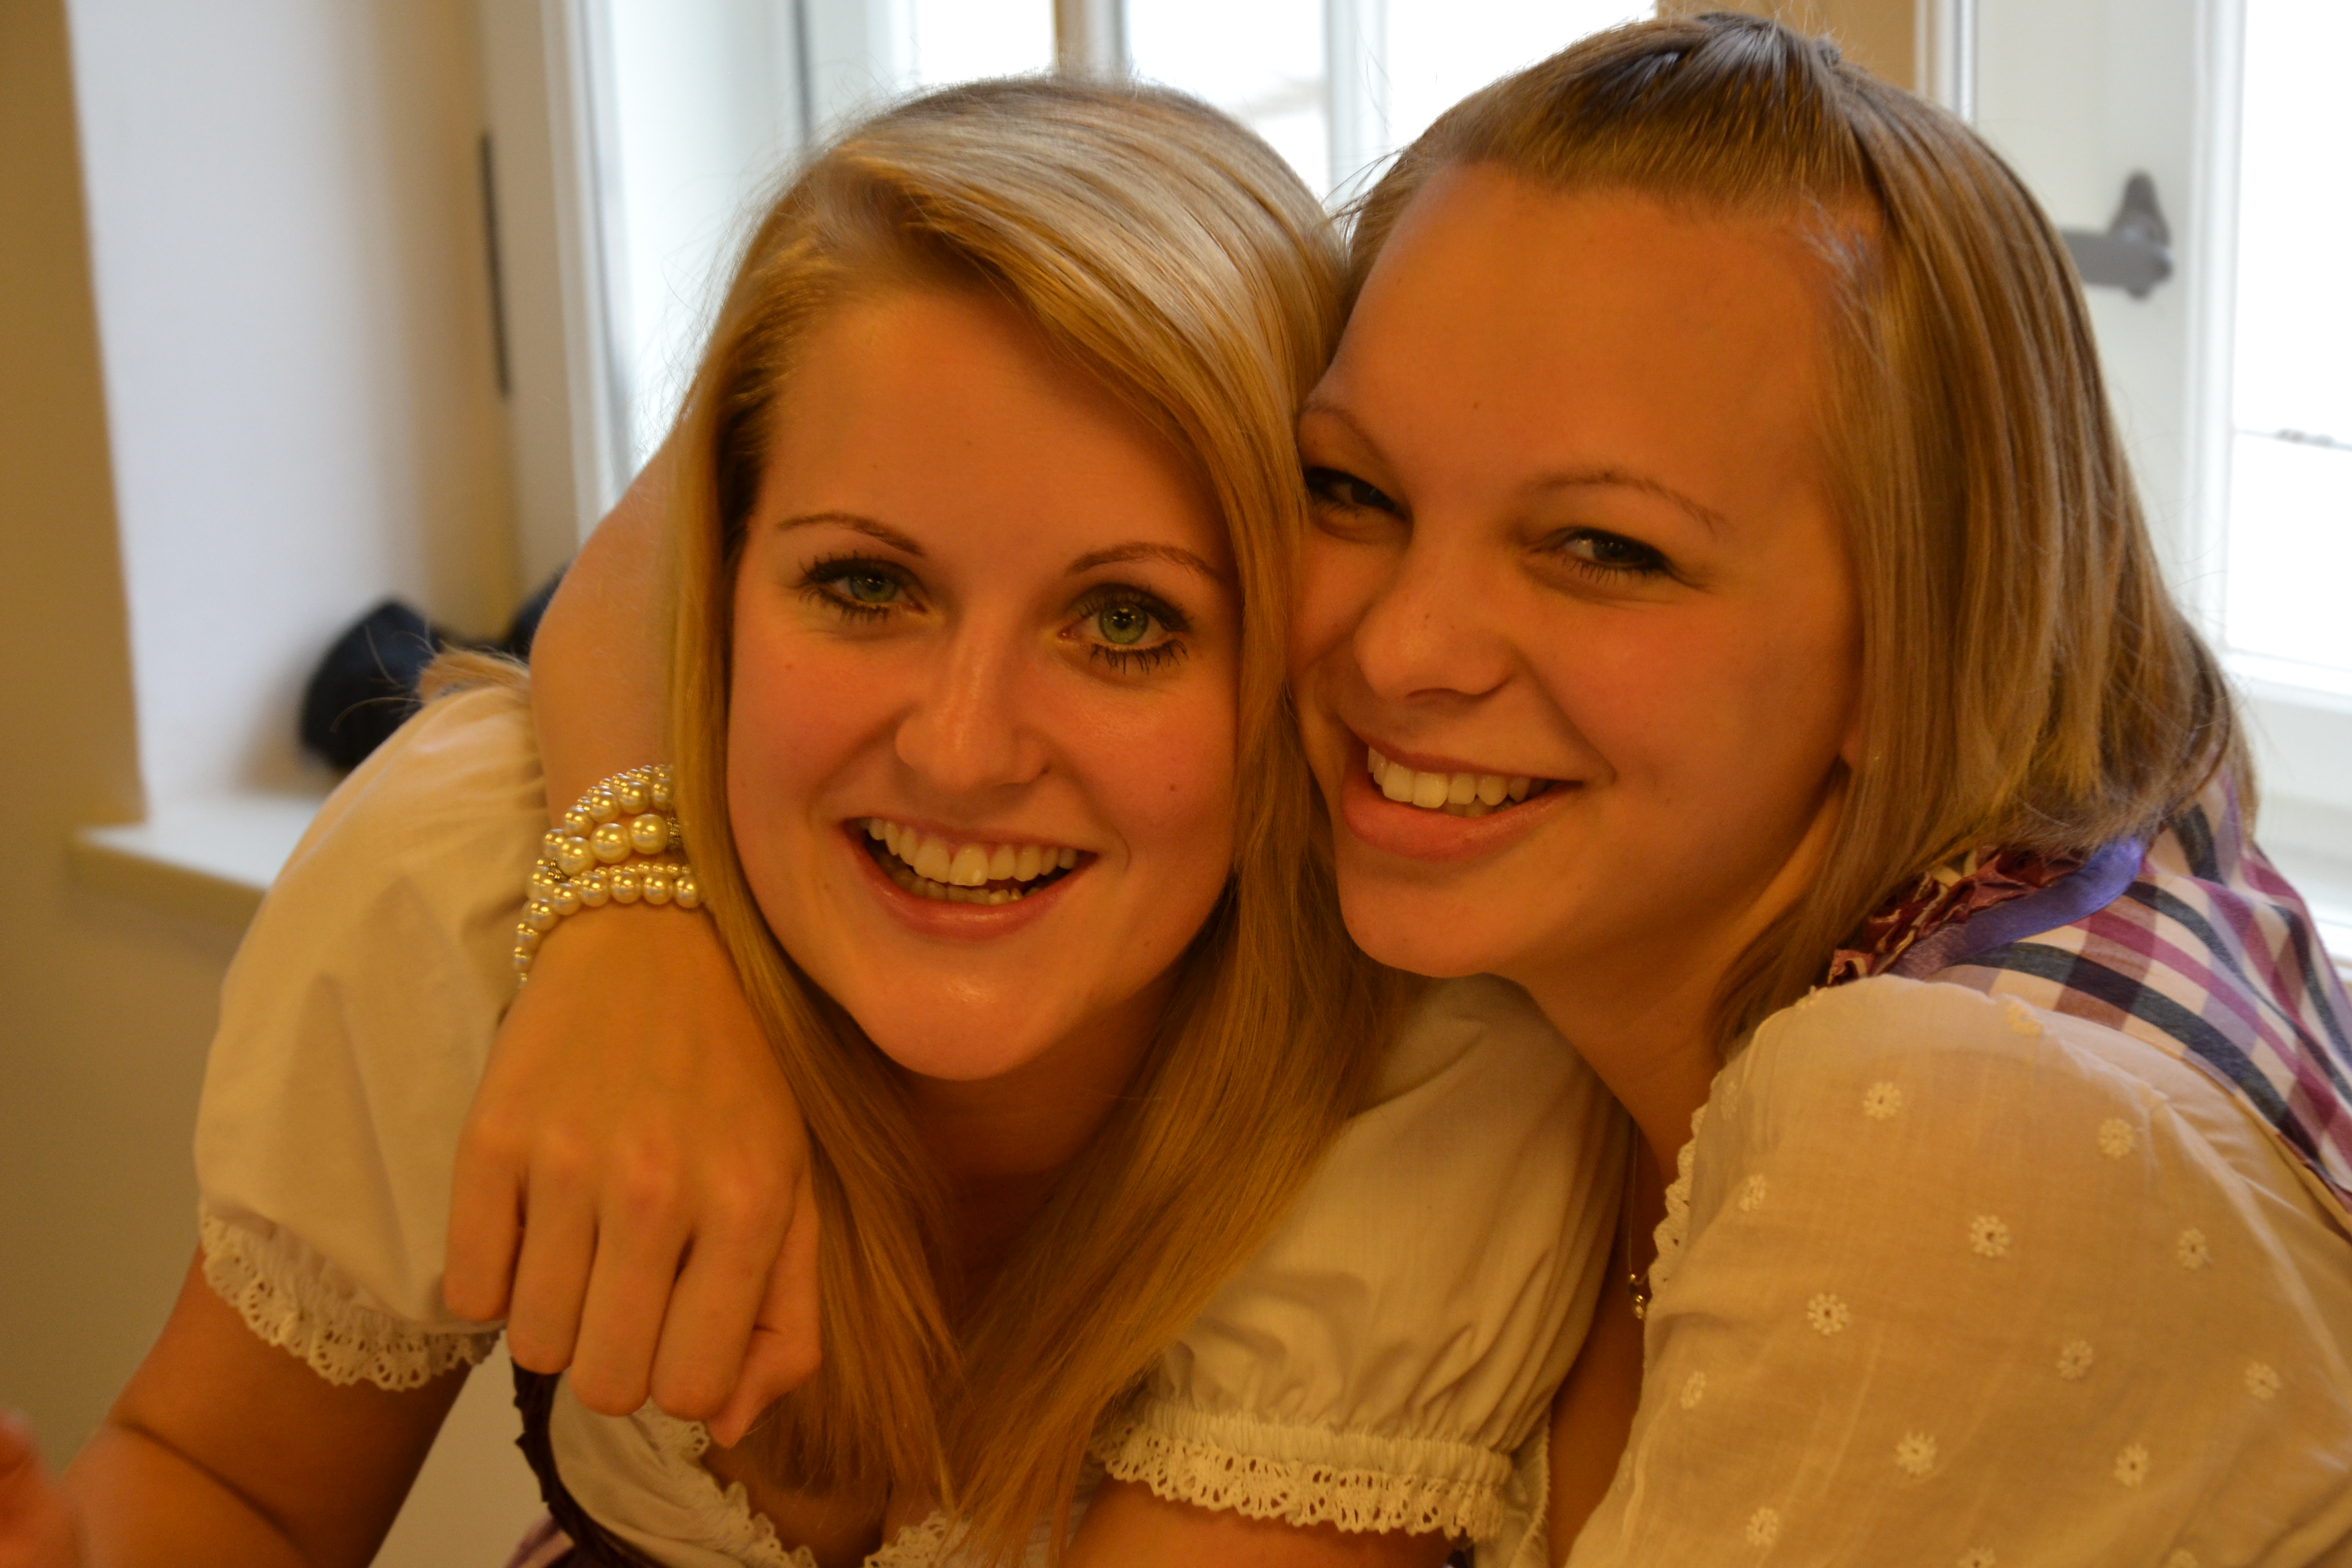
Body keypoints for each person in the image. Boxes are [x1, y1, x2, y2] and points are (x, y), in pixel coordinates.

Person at [421, 13, 2352, 1565]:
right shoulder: (2032, 866)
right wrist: (636, 917)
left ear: (1919, 636)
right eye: (1353, 490)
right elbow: (708, 495)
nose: (1404, 646)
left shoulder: (1946, 1127)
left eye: (1604, 549)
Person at [0, 81, 1618, 1568]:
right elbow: (236, 1485)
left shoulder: (1426, 1068)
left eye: (1126, 623)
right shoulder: (469, 883)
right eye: (865, 584)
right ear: (715, 583)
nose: (963, 750)